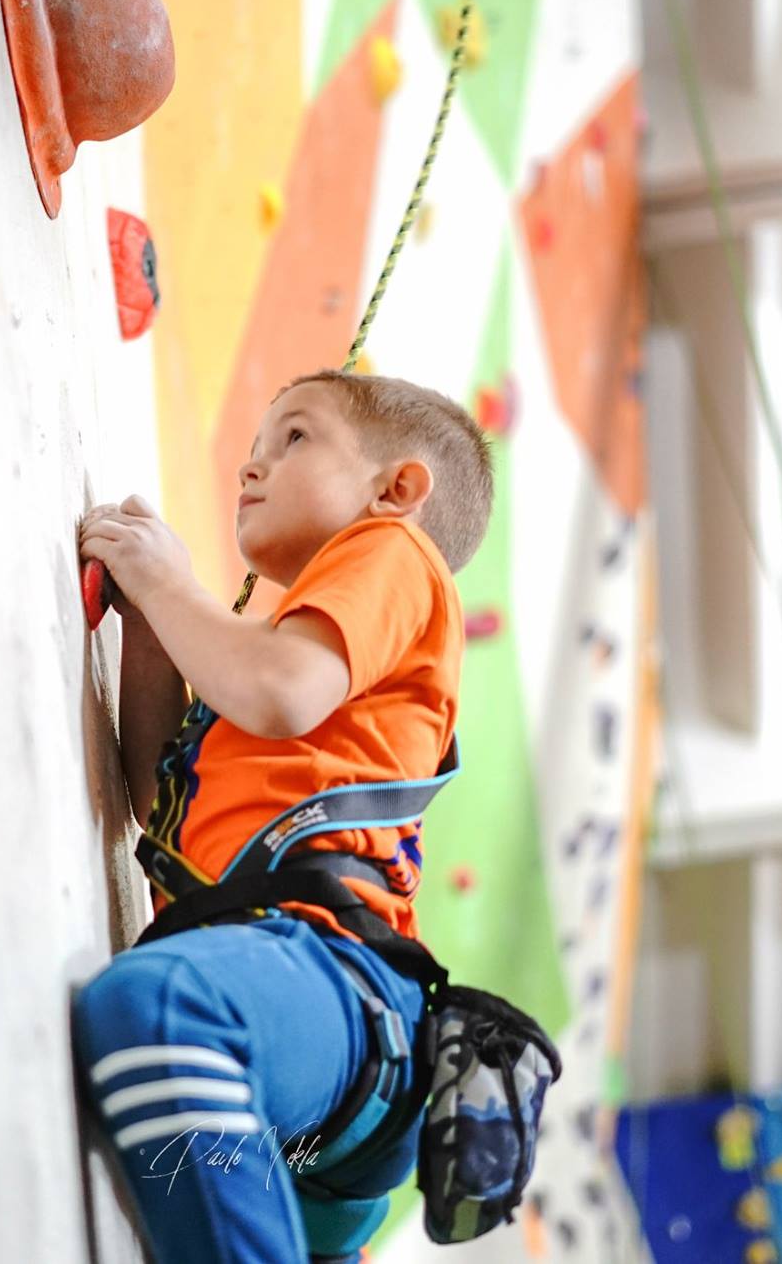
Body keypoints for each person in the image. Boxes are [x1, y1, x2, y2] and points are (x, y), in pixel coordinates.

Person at [72, 369, 494, 1262]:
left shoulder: (392, 553)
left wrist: (170, 584)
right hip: (315, 1082)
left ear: (397, 488)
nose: (251, 468)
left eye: (294, 437)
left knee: (162, 1006)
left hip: (333, 983)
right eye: (257, 447)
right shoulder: (302, 661)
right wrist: (152, 619)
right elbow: (163, 809)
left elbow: (276, 689)